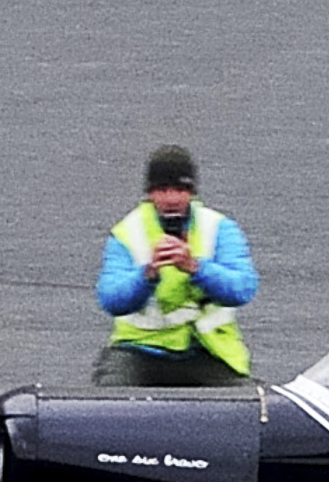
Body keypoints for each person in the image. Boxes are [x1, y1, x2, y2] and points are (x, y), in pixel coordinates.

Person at [93, 143, 258, 389]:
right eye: (162, 190)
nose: (172, 199)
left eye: (180, 190)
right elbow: (110, 299)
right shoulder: (127, 232)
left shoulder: (219, 228)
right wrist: (147, 274)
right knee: (110, 403)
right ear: (150, 193)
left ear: (192, 192)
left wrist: (196, 268)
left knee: (250, 405)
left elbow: (243, 289)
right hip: (139, 350)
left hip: (206, 349)